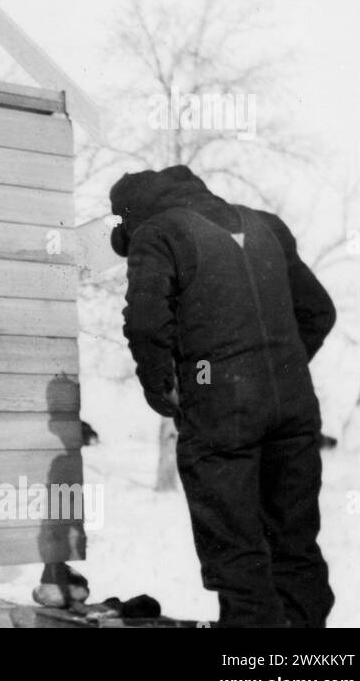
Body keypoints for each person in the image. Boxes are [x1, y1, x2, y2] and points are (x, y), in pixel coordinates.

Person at [110, 165, 337, 627]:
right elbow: (318, 311)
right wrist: (277, 370)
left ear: (130, 217)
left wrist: (166, 391)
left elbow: (146, 324)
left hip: (221, 415)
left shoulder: (157, 233)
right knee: (295, 544)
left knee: (236, 552)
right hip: (294, 411)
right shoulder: (265, 224)